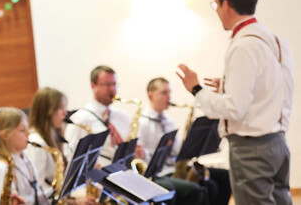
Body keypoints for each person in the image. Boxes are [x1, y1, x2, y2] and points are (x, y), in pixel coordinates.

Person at [177, 0, 293, 205]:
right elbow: (279, 89)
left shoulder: (243, 45)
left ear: (226, 4)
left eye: (215, 5)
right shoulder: (276, 41)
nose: (217, 11)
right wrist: (229, 85)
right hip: (277, 143)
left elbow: (234, 108)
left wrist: (196, 89)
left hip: (252, 149)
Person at [64, 66, 204, 205]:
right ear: (93, 85)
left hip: (123, 175)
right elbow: (71, 157)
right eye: (107, 84)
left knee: (163, 195)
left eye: (114, 84)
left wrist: (135, 152)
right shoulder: (80, 119)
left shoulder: (121, 117)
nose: (113, 89)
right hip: (99, 180)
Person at [138, 77, 231, 205]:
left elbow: (178, 152)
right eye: (164, 93)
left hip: (173, 169)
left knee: (219, 180)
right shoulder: (143, 122)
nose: (169, 97)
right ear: (150, 95)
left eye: (169, 92)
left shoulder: (169, 121)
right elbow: (141, 158)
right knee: (195, 191)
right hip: (158, 174)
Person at [25, 87, 95, 205]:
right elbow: (38, 192)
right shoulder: (36, 144)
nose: (65, 113)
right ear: (48, 112)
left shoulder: (55, 138)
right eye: (60, 108)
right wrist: (72, 201)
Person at [0, 107, 46, 205]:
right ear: (4, 135)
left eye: (27, 128)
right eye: (22, 130)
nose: (28, 133)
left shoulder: (25, 159)